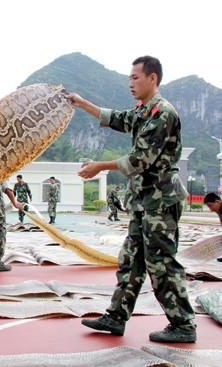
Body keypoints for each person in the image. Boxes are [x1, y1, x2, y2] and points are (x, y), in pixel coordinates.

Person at [66, 56, 197, 343]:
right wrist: (81, 102)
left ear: (153, 78)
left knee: (160, 262)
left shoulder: (163, 113)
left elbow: (141, 159)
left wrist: (100, 166)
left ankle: (183, 324)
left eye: (135, 78)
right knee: (131, 261)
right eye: (129, 78)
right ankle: (116, 317)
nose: (130, 84)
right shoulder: (143, 112)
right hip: (143, 201)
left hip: (161, 201)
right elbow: (116, 118)